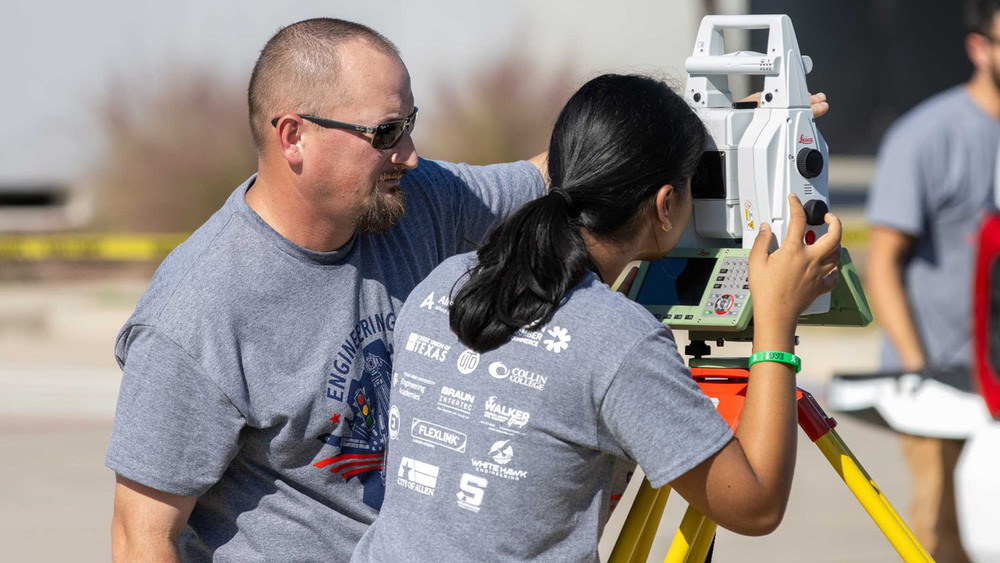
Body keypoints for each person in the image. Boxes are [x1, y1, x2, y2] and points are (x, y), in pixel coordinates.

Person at [104, 19, 548, 562]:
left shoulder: (417, 197)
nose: (408, 153)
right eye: (385, 133)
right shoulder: (198, 310)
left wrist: (661, 130)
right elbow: (141, 539)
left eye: (410, 124)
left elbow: (552, 176)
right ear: (294, 136)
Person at [352, 73, 842, 562]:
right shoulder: (618, 341)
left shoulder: (446, 281)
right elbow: (755, 505)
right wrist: (776, 321)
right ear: (665, 205)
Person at [865, 1, 1000, 559]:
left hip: (994, 375)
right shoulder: (925, 136)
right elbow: (881, 263)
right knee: (941, 533)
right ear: (979, 48)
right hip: (939, 381)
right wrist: (919, 367)